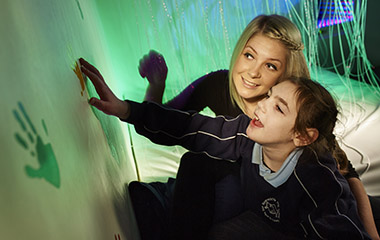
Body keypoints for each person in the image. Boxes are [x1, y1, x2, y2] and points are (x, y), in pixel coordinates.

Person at [136, 14, 380, 240]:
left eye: (270, 66)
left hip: (314, 209)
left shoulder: (298, 113)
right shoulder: (217, 84)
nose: (253, 72)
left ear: (286, 74)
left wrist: (371, 233)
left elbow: (346, 176)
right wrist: (156, 84)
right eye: (249, 55)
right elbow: (165, 120)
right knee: (196, 163)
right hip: (245, 200)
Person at [80, 59, 371, 239]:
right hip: (263, 221)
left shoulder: (315, 179)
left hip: (302, 232)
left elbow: (339, 228)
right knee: (222, 232)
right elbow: (191, 127)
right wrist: (126, 109)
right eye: (269, 97)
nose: (261, 106)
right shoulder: (245, 133)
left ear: (302, 136)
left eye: (278, 107)